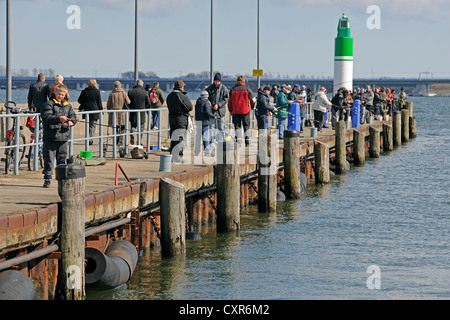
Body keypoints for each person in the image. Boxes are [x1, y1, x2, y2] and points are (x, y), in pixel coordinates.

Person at [41, 84, 77, 188]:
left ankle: (62, 180)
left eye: (62, 94)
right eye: (59, 94)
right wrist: (58, 118)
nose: (60, 96)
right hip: (50, 137)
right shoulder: (48, 104)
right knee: (49, 159)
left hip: (63, 136)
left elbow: (73, 116)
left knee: (62, 159)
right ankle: (47, 179)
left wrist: (72, 122)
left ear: (65, 95)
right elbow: (46, 118)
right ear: (55, 93)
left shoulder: (67, 105)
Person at [166, 79, 193, 163]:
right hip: (181, 120)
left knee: (173, 138)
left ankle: (173, 156)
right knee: (180, 139)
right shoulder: (181, 96)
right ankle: (178, 157)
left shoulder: (169, 96)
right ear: (181, 87)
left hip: (172, 119)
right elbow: (190, 107)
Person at [228, 75, 255, 146]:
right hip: (245, 111)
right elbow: (253, 99)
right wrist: (252, 107)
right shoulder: (247, 89)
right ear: (243, 81)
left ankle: (238, 141)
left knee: (237, 126)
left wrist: (230, 110)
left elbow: (229, 101)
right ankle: (247, 141)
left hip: (235, 111)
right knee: (246, 126)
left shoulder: (233, 89)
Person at [206, 73, 229, 147]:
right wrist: (208, 102)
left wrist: (218, 105)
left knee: (221, 128)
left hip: (220, 112)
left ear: (220, 81)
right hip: (212, 112)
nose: (216, 82)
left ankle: (222, 142)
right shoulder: (210, 88)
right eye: (215, 81)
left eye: (218, 81)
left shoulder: (224, 89)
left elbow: (226, 98)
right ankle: (212, 142)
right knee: (212, 127)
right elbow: (206, 96)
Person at [77, 79, 103, 145]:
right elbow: (99, 102)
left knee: (88, 125)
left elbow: (79, 100)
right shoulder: (97, 91)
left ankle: (88, 138)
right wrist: (101, 110)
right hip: (95, 110)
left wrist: (85, 102)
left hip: (87, 109)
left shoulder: (84, 91)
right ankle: (90, 139)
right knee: (93, 126)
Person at [107, 80, 130, 145]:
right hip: (122, 113)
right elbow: (128, 102)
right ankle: (121, 138)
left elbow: (108, 105)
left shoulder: (111, 94)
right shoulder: (124, 93)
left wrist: (109, 110)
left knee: (115, 127)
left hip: (113, 113)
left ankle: (116, 138)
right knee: (123, 126)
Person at [128, 79, 151, 145]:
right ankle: (139, 141)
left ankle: (132, 135)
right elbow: (148, 103)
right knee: (141, 127)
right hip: (141, 113)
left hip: (133, 112)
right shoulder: (145, 92)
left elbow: (127, 102)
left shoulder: (130, 92)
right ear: (142, 85)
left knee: (133, 126)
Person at [194, 90, 215, 157]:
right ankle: (207, 153)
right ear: (206, 97)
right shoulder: (205, 103)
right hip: (204, 122)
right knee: (205, 137)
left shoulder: (198, 102)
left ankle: (197, 152)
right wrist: (214, 116)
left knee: (198, 137)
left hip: (198, 121)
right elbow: (208, 112)